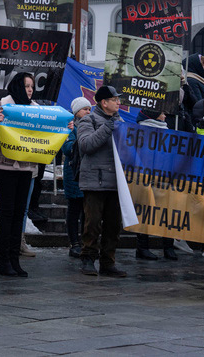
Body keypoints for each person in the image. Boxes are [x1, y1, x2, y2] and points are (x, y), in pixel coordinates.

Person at [0, 73, 38, 277]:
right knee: (7, 212)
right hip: (4, 167)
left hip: (26, 167)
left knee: (19, 213)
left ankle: (15, 260)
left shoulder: (35, 110)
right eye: (26, 86)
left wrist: (64, 128)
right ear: (17, 86)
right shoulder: (2, 105)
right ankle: (3, 261)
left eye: (32, 86)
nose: (30, 90)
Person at [77, 85, 127, 278]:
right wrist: (108, 127)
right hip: (95, 182)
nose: (118, 102)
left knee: (113, 226)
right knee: (93, 224)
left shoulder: (119, 121)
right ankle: (88, 259)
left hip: (115, 182)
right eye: (114, 99)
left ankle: (108, 262)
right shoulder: (88, 120)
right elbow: (86, 145)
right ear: (104, 103)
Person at [134, 108, 177, 261]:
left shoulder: (167, 132)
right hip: (146, 177)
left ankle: (168, 247)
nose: (165, 115)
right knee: (144, 212)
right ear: (153, 115)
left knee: (168, 212)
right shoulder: (140, 132)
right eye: (162, 113)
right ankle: (142, 248)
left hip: (164, 177)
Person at [62, 97, 91, 258]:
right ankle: (74, 243)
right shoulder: (70, 127)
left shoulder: (93, 125)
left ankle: (86, 243)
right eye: (85, 109)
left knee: (87, 212)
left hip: (88, 172)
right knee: (74, 210)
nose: (88, 112)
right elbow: (67, 148)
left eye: (89, 109)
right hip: (73, 173)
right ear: (76, 112)